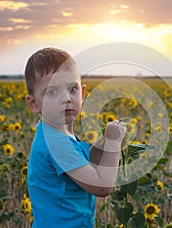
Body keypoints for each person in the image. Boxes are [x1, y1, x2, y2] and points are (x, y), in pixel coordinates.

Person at [24, 47, 126, 227]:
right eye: (52, 92)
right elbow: (102, 186)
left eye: (72, 89)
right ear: (34, 104)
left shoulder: (56, 133)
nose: (66, 99)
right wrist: (113, 143)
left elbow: (86, 164)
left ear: (83, 93)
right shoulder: (56, 143)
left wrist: (103, 142)